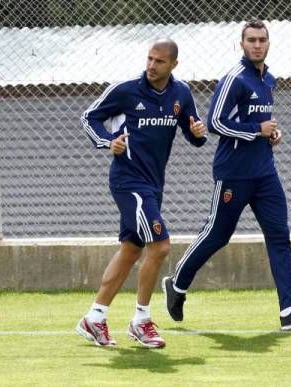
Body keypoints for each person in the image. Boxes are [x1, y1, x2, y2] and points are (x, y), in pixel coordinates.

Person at [162, 20, 291, 331]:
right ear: (242, 44)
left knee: (279, 236)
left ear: (268, 44)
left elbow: (261, 123)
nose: (257, 45)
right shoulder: (234, 78)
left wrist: (272, 134)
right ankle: (177, 282)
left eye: (262, 40)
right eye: (251, 40)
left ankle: (289, 310)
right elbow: (215, 123)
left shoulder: (268, 80)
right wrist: (255, 131)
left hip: (265, 174)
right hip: (234, 173)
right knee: (218, 234)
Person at [77, 38, 207, 348]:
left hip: (153, 185)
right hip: (128, 182)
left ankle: (94, 318)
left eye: (159, 61)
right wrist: (109, 141)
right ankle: (141, 319)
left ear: (173, 65)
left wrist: (198, 134)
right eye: (149, 58)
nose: (151, 65)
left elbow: (192, 132)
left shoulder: (181, 93)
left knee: (131, 250)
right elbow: (89, 117)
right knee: (160, 245)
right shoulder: (126, 89)